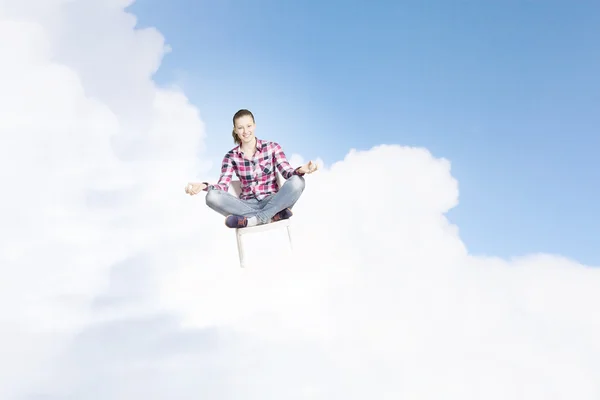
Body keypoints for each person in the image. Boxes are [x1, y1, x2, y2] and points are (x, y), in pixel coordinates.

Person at [184, 109, 318, 228]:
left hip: (273, 200)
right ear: (235, 130)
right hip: (246, 205)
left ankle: (253, 220)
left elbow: (287, 173)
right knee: (211, 196)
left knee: (298, 181)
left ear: (254, 125)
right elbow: (223, 186)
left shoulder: (272, 147)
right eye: (240, 128)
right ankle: (272, 216)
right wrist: (203, 186)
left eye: (248, 126)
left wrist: (301, 170)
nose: (245, 131)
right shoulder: (230, 157)